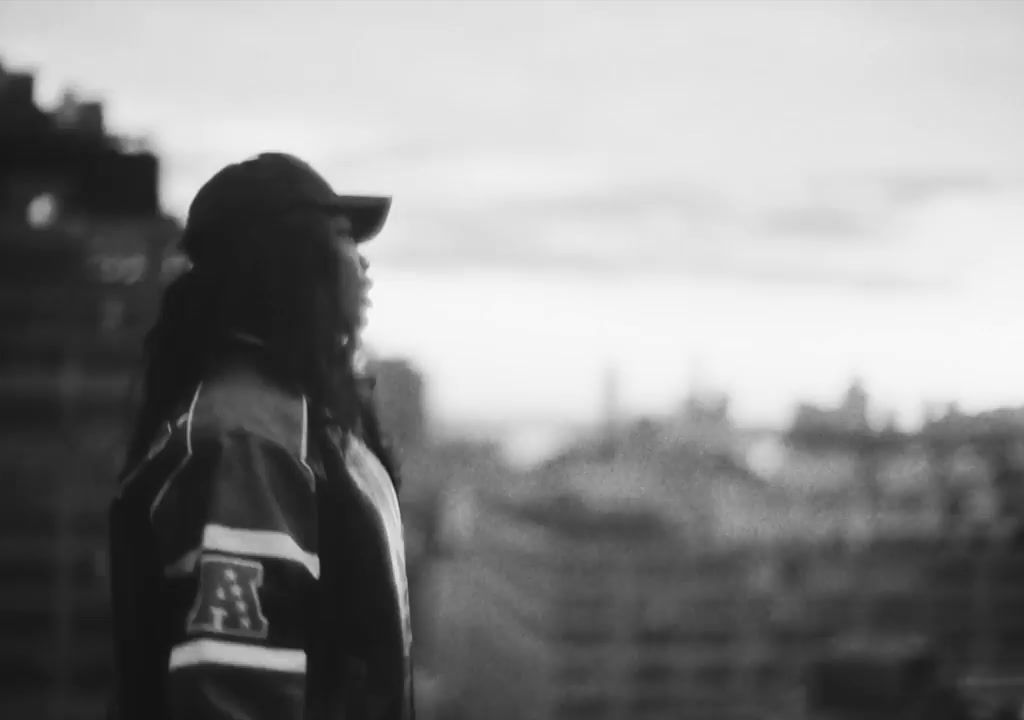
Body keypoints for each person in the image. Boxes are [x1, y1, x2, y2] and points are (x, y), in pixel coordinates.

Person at [108, 153, 413, 720]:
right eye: (345, 238)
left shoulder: (291, 420)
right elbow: (235, 697)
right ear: (290, 264)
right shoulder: (248, 438)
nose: (364, 264)